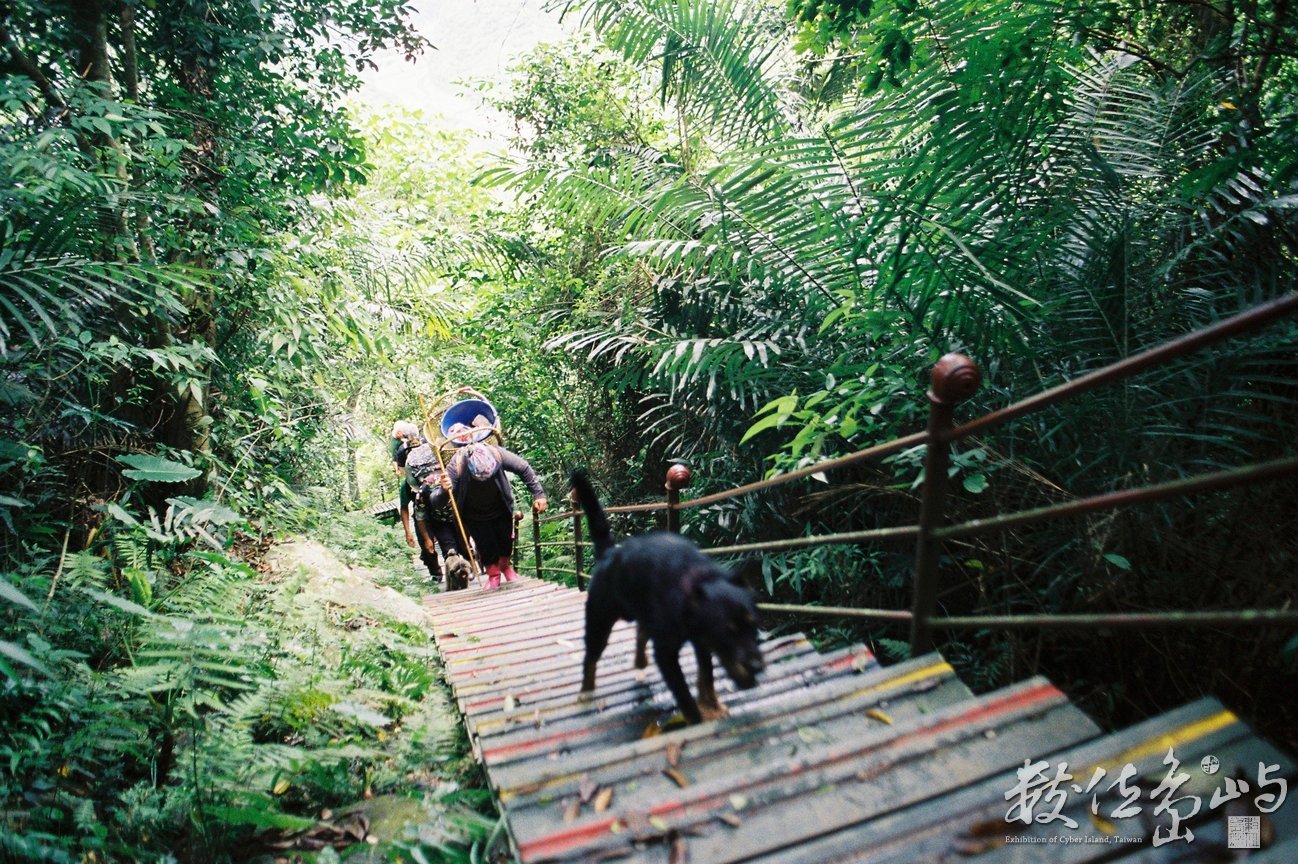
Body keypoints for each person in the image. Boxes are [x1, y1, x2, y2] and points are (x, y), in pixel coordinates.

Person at [443, 441, 547, 590]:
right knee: (485, 545)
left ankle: (506, 568)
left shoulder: (496, 453)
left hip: (500, 506)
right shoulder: (456, 464)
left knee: (505, 540)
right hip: (473, 514)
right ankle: (493, 574)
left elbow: (523, 467)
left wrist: (539, 494)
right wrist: (444, 488)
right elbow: (437, 499)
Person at [404, 443, 469, 587]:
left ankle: (470, 567)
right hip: (439, 521)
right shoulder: (422, 492)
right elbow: (420, 516)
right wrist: (427, 539)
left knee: (465, 546)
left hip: (460, 517)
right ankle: (456, 582)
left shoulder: (456, 479)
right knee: (450, 551)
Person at [389, 421, 423, 550]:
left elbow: (404, 508)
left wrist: (407, 532)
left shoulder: (403, 449)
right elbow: (403, 507)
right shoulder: (401, 449)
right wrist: (408, 532)